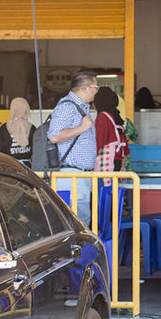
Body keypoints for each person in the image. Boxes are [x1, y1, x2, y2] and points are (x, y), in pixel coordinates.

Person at [48, 71, 100, 224]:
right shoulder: (67, 107)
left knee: (81, 220)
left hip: (80, 176)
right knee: (76, 222)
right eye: (95, 87)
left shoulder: (81, 107)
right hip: (71, 175)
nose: (96, 91)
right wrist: (82, 128)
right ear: (85, 87)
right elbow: (54, 136)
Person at [93, 87, 128, 174]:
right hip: (117, 163)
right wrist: (123, 167)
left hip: (106, 164)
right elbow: (125, 149)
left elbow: (99, 143)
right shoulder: (117, 118)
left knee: (102, 187)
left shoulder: (103, 117)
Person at [0, 97, 35, 166]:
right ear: (26, 109)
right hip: (29, 168)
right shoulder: (32, 128)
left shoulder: (3, 128)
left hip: (9, 167)